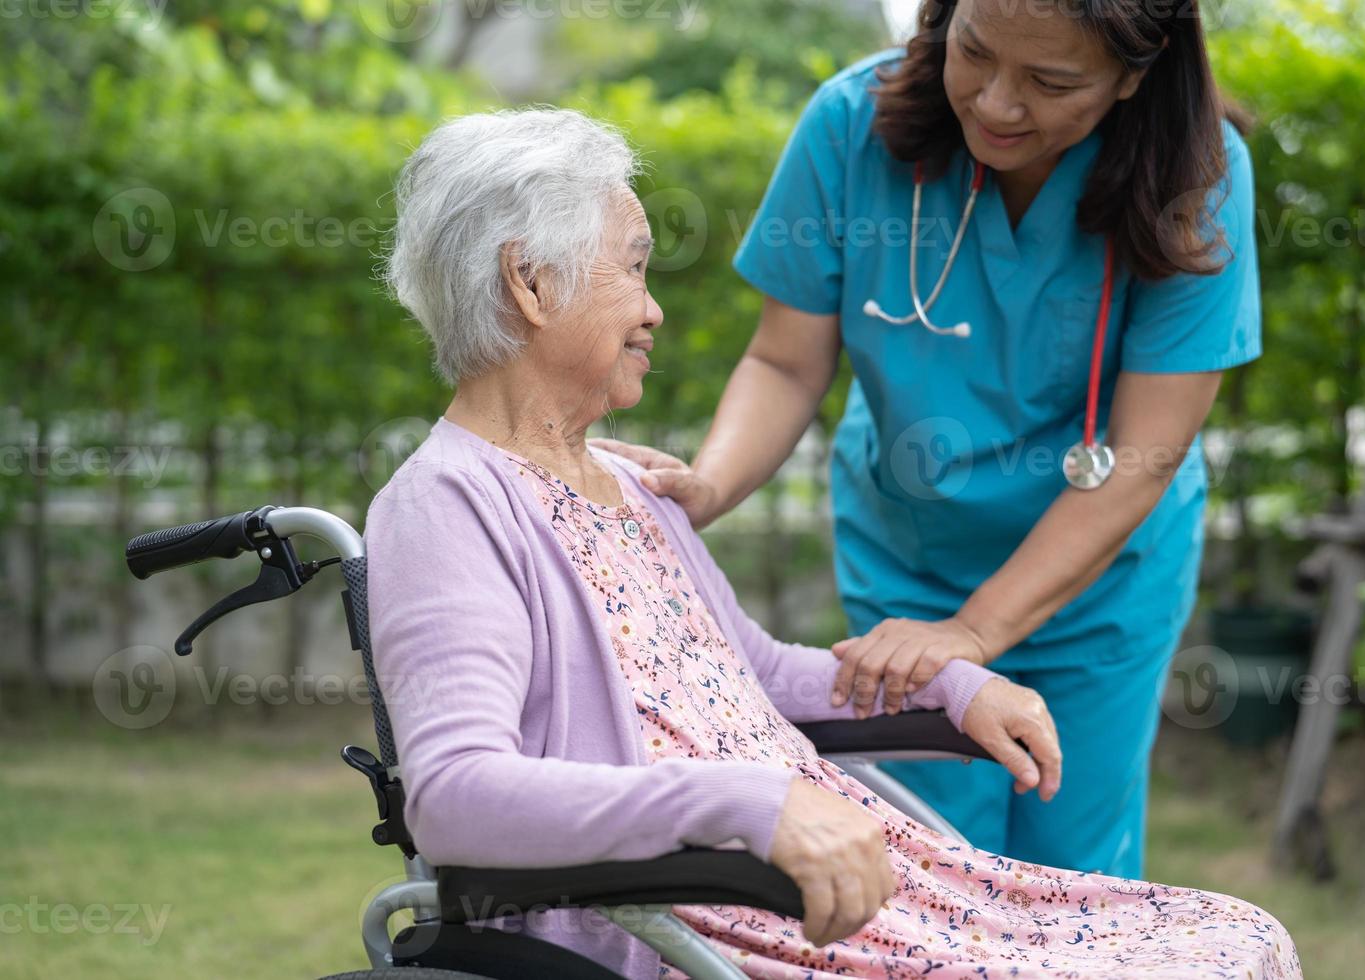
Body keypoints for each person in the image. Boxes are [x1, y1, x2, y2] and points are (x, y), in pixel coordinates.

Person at [365, 107, 1298, 979]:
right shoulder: (446, 506)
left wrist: (955, 683)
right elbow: (454, 798)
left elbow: (758, 678)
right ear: (530, 283)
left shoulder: (628, 489)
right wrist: (744, 804)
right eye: (635, 269)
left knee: (1237, 936)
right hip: (719, 917)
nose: (654, 311)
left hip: (856, 892)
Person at [595, 0, 1261, 879]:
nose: (994, 103)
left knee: (1076, 862)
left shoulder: (1199, 175)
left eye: (1051, 82)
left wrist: (977, 632)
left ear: (1137, 72)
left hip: (1099, 574)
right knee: (938, 861)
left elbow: (1145, 455)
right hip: (912, 560)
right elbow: (788, 364)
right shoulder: (849, 126)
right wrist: (712, 484)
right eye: (973, 52)